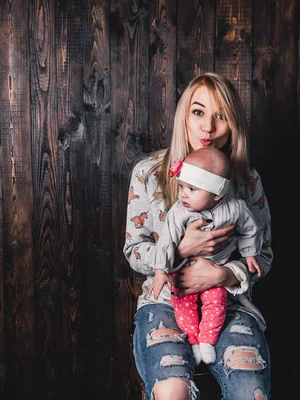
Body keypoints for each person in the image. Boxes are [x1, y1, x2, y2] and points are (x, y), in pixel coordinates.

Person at [124, 72, 273, 400]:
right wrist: (179, 250)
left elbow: (263, 256)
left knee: (252, 393)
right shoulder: (149, 173)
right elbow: (134, 250)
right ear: (184, 116)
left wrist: (225, 274)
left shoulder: (246, 181)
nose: (208, 127)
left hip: (230, 305)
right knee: (171, 392)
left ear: (233, 123)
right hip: (165, 302)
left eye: (221, 115)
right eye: (199, 112)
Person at [149, 147, 262, 366]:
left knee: (216, 303)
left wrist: (249, 254)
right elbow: (166, 242)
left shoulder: (235, 209)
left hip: (216, 269)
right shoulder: (179, 212)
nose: (183, 194)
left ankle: (207, 341)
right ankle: (192, 340)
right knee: (183, 303)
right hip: (183, 271)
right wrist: (161, 270)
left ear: (217, 194)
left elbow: (250, 229)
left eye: (192, 189)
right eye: (181, 186)